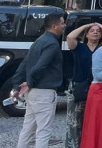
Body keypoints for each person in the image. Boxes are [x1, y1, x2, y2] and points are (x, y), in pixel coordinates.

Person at [14, 12, 66, 148]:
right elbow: (40, 66)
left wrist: (17, 85)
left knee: (28, 129)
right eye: (62, 23)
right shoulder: (52, 44)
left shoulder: (39, 41)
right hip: (44, 91)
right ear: (55, 26)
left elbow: (24, 64)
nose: (64, 25)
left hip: (33, 92)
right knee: (43, 131)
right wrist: (30, 82)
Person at [65, 22, 102, 148]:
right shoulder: (79, 47)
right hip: (79, 85)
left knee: (93, 120)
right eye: (92, 30)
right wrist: (86, 25)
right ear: (86, 34)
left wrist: (101, 26)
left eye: (98, 31)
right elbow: (70, 37)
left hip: (97, 87)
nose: (95, 32)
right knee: (75, 120)